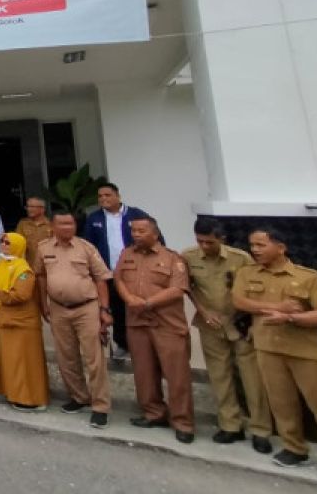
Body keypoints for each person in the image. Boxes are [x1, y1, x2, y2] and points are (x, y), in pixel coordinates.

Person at [232, 227, 317, 474]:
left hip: (306, 351)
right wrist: (278, 307)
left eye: (261, 245)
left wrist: (292, 319)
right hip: (268, 348)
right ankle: (294, 448)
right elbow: (239, 301)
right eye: (252, 245)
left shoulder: (308, 277)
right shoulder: (246, 273)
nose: (254, 250)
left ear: (281, 247)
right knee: (281, 403)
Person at [181, 218, 273, 452]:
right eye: (200, 241)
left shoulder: (240, 258)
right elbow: (187, 287)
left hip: (240, 323)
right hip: (210, 324)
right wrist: (202, 310)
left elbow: (255, 288)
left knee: (252, 379)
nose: (204, 246)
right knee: (219, 376)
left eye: (209, 242)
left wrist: (252, 323)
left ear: (221, 239)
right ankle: (230, 425)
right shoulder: (188, 257)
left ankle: (260, 430)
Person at [115, 217, 195, 444]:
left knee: (177, 375)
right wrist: (130, 299)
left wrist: (147, 302)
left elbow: (178, 289)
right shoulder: (127, 254)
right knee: (144, 372)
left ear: (155, 234)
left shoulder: (172, 258)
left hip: (167, 324)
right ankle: (153, 413)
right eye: (134, 231)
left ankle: (183, 422)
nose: (136, 234)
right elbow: (119, 279)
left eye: (141, 231)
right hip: (137, 323)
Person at [36, 210, 113, 429]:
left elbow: (101, 279)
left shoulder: (86, 248)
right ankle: (79, 397)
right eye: (62, 224)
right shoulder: (43, 248)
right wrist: (43, 303)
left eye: (70, 224)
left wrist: (105, 309)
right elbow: (40, 276)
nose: (67, 228)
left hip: (86, 308)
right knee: (66, 356)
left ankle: (100, 406)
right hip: (59, 309)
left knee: (94, 359)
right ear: (53, 225)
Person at [0, 232, 49, 411]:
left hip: (21, 323)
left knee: (24, 362)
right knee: (10, 361)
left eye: (8, 242)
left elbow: (22, 295)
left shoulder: (23, 269)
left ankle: (30, 399)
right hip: (3, 319)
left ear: (18, 246)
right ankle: (12, 392)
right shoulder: (1, 264)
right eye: (2, 242)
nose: (3, 245)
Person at [84, 183, 150, 360]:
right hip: (108, 273)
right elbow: (88, 246)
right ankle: (123, 344)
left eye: (107, 195)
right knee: (118, 309)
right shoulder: (93, 219)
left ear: (118, 196)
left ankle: (144, 344)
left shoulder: (136, 214)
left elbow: (154, 237)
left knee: (138, 306)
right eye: (100, 196)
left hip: (134, 272)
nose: (103, 199)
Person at [14, 196, 52, 271]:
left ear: (42, 209)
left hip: (48, 268)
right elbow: (17, 245)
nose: (28, 209)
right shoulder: (23, 224)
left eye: (32, 207)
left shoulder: (51, 225)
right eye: (27, 206)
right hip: (28, 267)